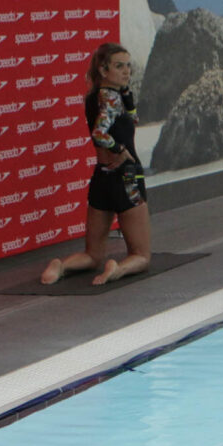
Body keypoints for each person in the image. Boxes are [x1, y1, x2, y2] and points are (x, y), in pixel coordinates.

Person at [39, 42, 153, 286]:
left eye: (128, 66)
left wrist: (127, 95)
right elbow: (100, 133)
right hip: (126, 176)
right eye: (119, 66)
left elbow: (131, 119)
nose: (126, 71)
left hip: (102, 177)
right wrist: (120, 150)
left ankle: (61, 265)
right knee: (142, 256)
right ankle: (118, 269)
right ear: (103, 69)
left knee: (92, 256)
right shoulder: (111, 99)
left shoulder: (94, 97)